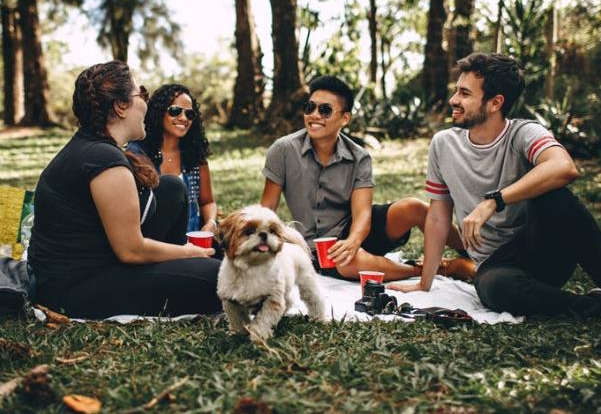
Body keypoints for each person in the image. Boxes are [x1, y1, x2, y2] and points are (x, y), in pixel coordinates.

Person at [390, 52, 601, 317]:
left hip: (541, 249)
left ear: (494, 103)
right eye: (456, 91)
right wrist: (424, 283)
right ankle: (590, 308)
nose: (454, 100)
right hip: (496, 265)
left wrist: (494, 200)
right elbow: (437, 219)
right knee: (496, 288)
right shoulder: (443, 144)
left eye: (465, 94)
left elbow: (564, 167)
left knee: (554, 196)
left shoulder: (524, 132)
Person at [28, 61, 221, 319]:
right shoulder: (103, 160)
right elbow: (131, 250)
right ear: (121, 107)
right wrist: (188, 252)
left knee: (172, 187)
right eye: (141, 93)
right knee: (221, 279)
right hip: (76, 288)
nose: (146, 102)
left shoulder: (96, 148)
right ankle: (187, 268)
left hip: (102, 261)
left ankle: (182, 268)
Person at [260, 75, 474, 281]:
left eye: (325, 110)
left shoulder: (359, 157)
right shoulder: (283, 150)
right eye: (310, 107)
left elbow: (362, 213)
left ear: (344, 118)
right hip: (316, 247)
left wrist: (353, 241)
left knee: (414, 207)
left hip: (356, 229)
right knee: (348, 262)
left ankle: (474, 253)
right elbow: (266, 210)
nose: (314, 115)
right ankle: (436, 269)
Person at [129, 84, 218, 233]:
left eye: (190, 114)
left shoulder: (195, 155)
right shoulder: (137, 153)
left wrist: (211, 223)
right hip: (153, 243)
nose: (184, 118)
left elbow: (207, 202)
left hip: (192, 243)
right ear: (159, 113)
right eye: (175, 111)